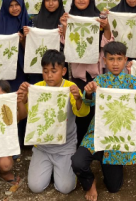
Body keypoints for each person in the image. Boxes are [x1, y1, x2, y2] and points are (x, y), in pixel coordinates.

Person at [71, 42, 136, 200]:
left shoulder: (134, 82)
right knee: (77, 162)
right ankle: (90, 183)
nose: (115, 63)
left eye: (119, 59)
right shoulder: (99, 82)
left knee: (114, 188)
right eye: (111, 59)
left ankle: (106, 161)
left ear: (125, 59)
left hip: (119, 136)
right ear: (104, 60)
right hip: (97, 132)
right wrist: (88, 93)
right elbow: (88, 103)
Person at [16, 50, 90, 194]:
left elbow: (83, 113)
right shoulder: (37, 88)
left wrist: (79, 99)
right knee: (35, 186)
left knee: (66, 187)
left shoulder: (70, 88)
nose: (49, 75)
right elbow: (23, 116)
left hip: (65, 146)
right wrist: (23, 99)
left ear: (63, 71)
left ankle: (60, 169)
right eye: (45, 71)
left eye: (53, 71)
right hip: (42, 146)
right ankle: (51, 168)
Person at [59, 0, 113, 144]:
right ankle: (78, 148)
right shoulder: (70, 18)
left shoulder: (98, 18)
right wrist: (65, 26)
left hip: (96, 75)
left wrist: (107, 26)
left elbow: (107, 42)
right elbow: (66, 43)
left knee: (96, 113)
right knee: (79, 111)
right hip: (77, 75)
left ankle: (93, 148)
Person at [0, 0, 31, 90]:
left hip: (21, 70)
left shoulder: (29, 24)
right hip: (2, 70)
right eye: (10, 5)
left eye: (17, 4)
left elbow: (33, 50)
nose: (14, 8)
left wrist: (22, 41)